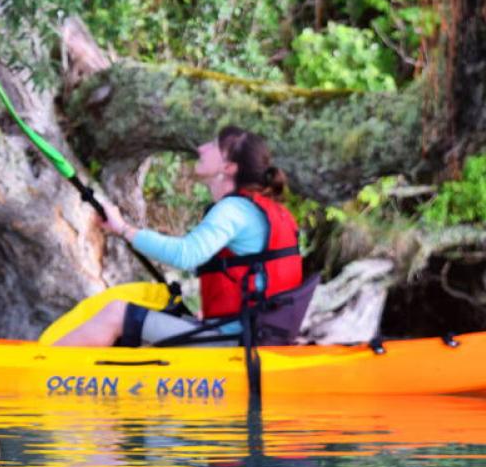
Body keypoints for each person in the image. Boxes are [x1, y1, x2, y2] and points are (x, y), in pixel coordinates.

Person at [53, 125, 303, 347]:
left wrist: (123, 229)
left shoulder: (235, 210)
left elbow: (186, 255)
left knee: (116, 314)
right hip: (241, 335)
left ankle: (43, 374)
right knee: (148, 321)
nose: (202, 148)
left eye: (214, 146)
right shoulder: (266, 211)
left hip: (234, 342)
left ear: (228, 168)